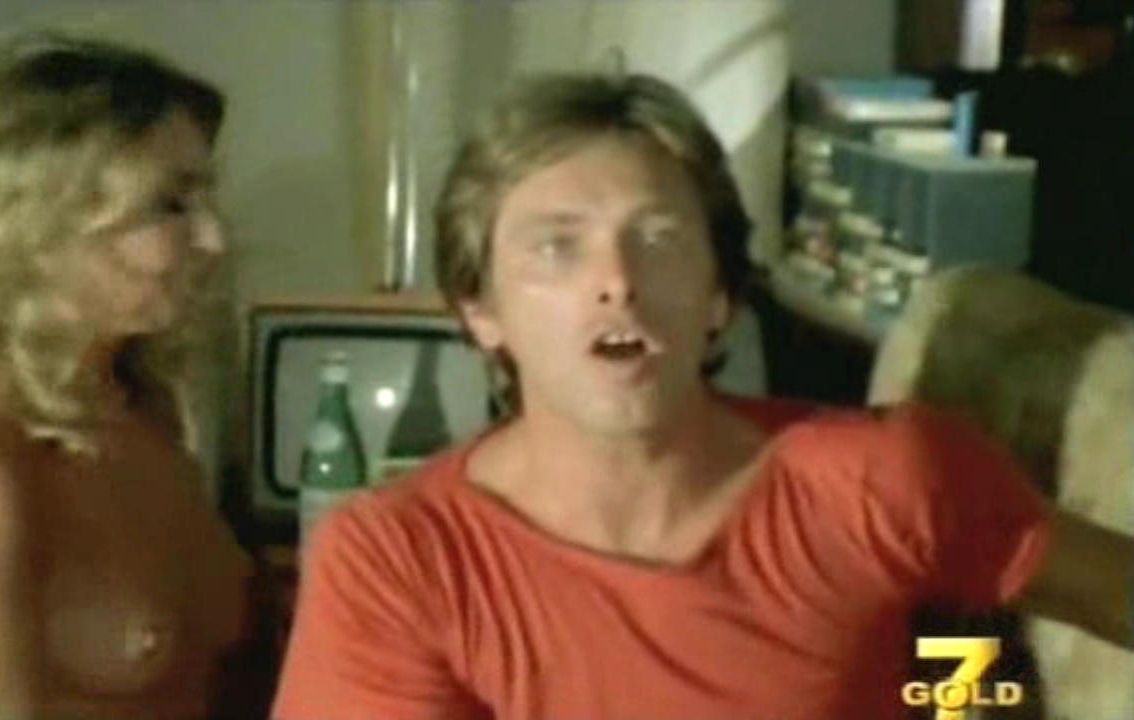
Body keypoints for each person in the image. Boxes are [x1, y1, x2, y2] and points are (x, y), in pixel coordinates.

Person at [273, 69, 1134, 720]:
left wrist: (960, 698)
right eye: (557, 247)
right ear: (481, 311)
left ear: (720, 296)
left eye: (658, 238)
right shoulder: (396, 560)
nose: (617, 280)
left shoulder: (881, 478)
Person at [0, 30, 278, 719]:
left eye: (206, 201)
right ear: (33, 226)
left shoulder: (145, 419)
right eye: (170, 205)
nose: (213, 239)